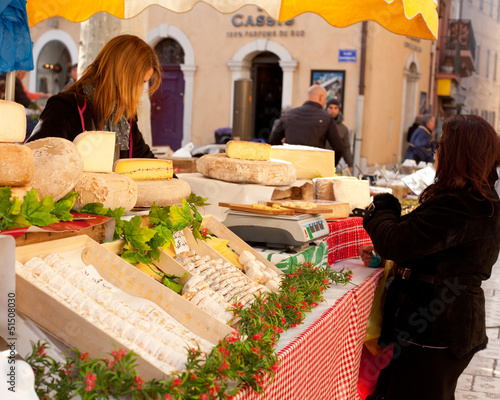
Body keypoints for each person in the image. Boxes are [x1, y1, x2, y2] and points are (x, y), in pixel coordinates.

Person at [359, 114, 500, 400]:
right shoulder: (474, 198)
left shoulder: (462, 204)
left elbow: (395, 241)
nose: (436, 151)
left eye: (441, 144)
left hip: (436, 329)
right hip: (440, 328)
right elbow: (432, 248)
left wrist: (383, 206)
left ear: (459, 153)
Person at [26, 34, 161, 159]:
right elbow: (34, 157)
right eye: (140, 81)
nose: (141, 89)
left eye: (144, 82)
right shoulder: (65, 107)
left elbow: (144, 158)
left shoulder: (125, 116)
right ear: (121, 76)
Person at [268, 84, 344, 165]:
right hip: (314, 167)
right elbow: (339, 148)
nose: (325, 103)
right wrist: (329, 167)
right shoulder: (327, 118)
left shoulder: (288, 115)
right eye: (325, 99)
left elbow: (273, 142)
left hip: (291, 166)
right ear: (321, 97)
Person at [326, 98, 353, 170]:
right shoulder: (321, 124)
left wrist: (350, 164)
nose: (333, 110)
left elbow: (346, 148)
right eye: (330, 108)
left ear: (339, 110)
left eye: (335, 108)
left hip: (333, 162)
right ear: (326, 108)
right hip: (320, 159)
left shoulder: (343, 129)